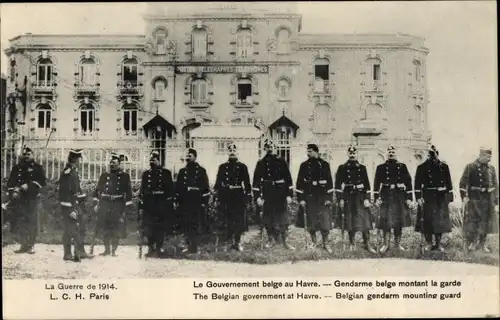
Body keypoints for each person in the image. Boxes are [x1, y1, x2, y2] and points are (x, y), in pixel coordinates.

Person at [252, 139, 294, 250]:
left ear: (275, 148)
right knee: (268, 218)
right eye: (267, 147)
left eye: (272, 147)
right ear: (264, 149)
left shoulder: (282, 161)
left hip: (281, 193)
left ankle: (285, 241)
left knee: (283, 218)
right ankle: (271, 240)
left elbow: (288, 179)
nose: (270, 149)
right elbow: (256, 181)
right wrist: (257, 197)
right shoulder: (261, 163)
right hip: (267, 193)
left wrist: (289, 194)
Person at [334, 145, 376, 253]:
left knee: (365, 221)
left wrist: (367, 198)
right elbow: (338, 185)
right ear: (348, 154)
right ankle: (352, 243)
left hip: (360, 197)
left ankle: (367, 244)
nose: (352, 155)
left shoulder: (362, 168)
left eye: (354, 153)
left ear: (356, 153)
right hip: (348, 197)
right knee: (350, 221)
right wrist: (340, 199)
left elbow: (367, 185)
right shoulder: (342, 167)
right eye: (350, 153)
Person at [373, 145, 414, 253]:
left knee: (398, 220)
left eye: (393, 151)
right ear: (387, 153)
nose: (391, 153)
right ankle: (386, 244)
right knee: (386, 221)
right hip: (386, 195)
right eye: (389, 151)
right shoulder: (380, 167)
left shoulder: (402, 166)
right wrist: (376, 198)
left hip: (399, 196)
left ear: (396, 153)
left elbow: (409, 184)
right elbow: (376, 184)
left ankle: (397, 244)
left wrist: (409, 198)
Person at [6, 146, 46, 254]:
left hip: (32, 198)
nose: (26, 156)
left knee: (32, 221)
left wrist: (29, 185)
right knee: (21, 221)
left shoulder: (38, 168)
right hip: (20, 199)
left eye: (28, 154)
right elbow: (11, 182)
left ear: (33, 155)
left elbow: (42, 183)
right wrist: (14, 190)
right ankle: (23, 244)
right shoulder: (18, 168)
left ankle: (31, 245)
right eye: (24, 154)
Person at [295, 144, 334, 253]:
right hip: (310, 198)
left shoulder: (325, 165)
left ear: (316, 151)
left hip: (322, 198)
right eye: (308, 151)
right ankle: (314, 242)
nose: (308, 153)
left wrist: (329, 198)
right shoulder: (304, 165)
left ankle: (326, 243)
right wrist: (301, 199)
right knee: (311, 223)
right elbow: (299, 184)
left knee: (325, 222)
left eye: (311, 151)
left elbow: (329, 183)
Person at [414, 145, 454, 252]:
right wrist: (418, 198)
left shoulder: (444, 167)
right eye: (430, 154)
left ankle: (438, 243)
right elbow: (417, 185)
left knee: (439, 222)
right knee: (428, 221)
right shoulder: (421, 167)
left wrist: (449, 198)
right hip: (427, 197)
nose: (432, 156)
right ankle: (429, 243)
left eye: (434, 154)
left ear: (437, 153)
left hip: (440, 198)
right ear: (427, 155)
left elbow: (449, 183)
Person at [92, 153, 133, 256]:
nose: (111, 164)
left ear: (119, 164)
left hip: (117, 204)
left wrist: (126, 208)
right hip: (105, 203)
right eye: (110, 162)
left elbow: (128, 192)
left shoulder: (124, 176)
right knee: (105, 227)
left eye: (114, 163)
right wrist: (96, 203)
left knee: (115, 227)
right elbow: (97, 190)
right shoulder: (104, 176)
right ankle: (106, 250)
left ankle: (113, 250)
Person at [213, 142, 252, 251]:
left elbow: (247, 184)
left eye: (234, 150)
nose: (232, 152)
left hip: (238, 196)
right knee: (228, 219)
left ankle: (238, 242)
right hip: (226, 196)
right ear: (227, 152)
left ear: (237, 152)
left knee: (238, 219)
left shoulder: (242, 167)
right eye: (230, 150)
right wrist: (217, 195)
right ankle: (229, 242)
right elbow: (217, 183)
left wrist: (248, 197)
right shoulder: (222, 167)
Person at [459, 146, 499, 252]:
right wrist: (464, 197)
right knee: (473, 222)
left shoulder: (491, 168)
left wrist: (495, 199)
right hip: (474, 198)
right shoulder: (470, 167)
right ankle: (472, 243)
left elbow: (495, 184)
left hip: (487, 199)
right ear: (481, 156)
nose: (489, 159)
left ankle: (482, 244)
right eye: (487, 157)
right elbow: (463, 183)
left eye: (490, 157)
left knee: (485, 223)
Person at [138, 150, 175, 258]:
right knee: (149, 226)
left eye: (154, 160)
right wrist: (142, 203)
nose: (151, 161)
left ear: (159, 161)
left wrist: (168, 203)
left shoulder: (166, 173)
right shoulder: (146, 174)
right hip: (149, 204)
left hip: (161, 204)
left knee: (160, 227)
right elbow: (142, 190)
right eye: (150, 160)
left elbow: (170, 190)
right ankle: (150, 247)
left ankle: (159, 247)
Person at [58, 149, 93, 261]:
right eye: (78, 158)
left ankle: (80, 251)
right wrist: (70, 210)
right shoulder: (67, 173)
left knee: (80, 227)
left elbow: (76, 190)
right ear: (74, 159)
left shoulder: (73, 171)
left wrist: (82, 197)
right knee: (70, 229)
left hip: (76, 204)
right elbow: (64, 193)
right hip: (69, 206)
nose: (79, 161)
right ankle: (68, 254)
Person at [175, 148, 210, 254]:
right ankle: (188, 245)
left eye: (189, 155)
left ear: (195, 157)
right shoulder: (182, 171)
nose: (187, 158)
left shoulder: (201, 171)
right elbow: (178, 187)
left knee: (195, 224)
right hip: (185, 202)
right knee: (186, 224)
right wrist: (177, 200)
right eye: (186, 156)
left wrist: (204, 202)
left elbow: (206, 188)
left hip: (196, 201)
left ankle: (194, 247)